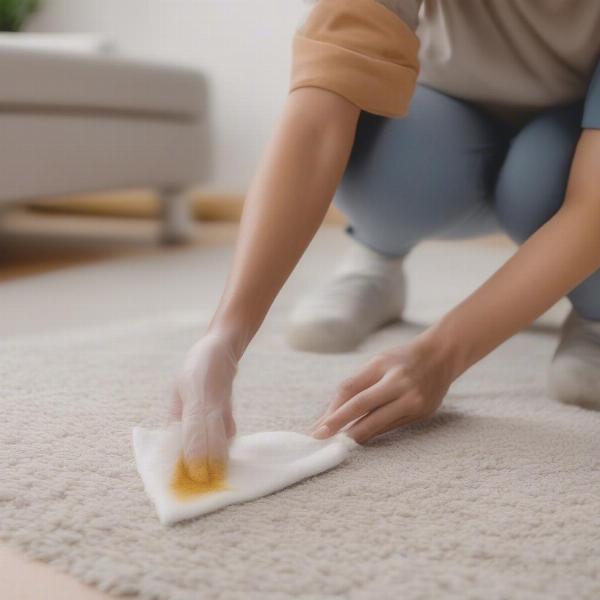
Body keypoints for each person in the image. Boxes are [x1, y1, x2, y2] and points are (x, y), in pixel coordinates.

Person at [171, 0, 600, 483]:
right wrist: (224, 336)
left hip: (575, 141)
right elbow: (317, 117)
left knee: (546, 179)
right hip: (444, 120)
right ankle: (376, 259)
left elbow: (592, 208)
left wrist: (442, 355)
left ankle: (594, 308)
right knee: (370, 134)